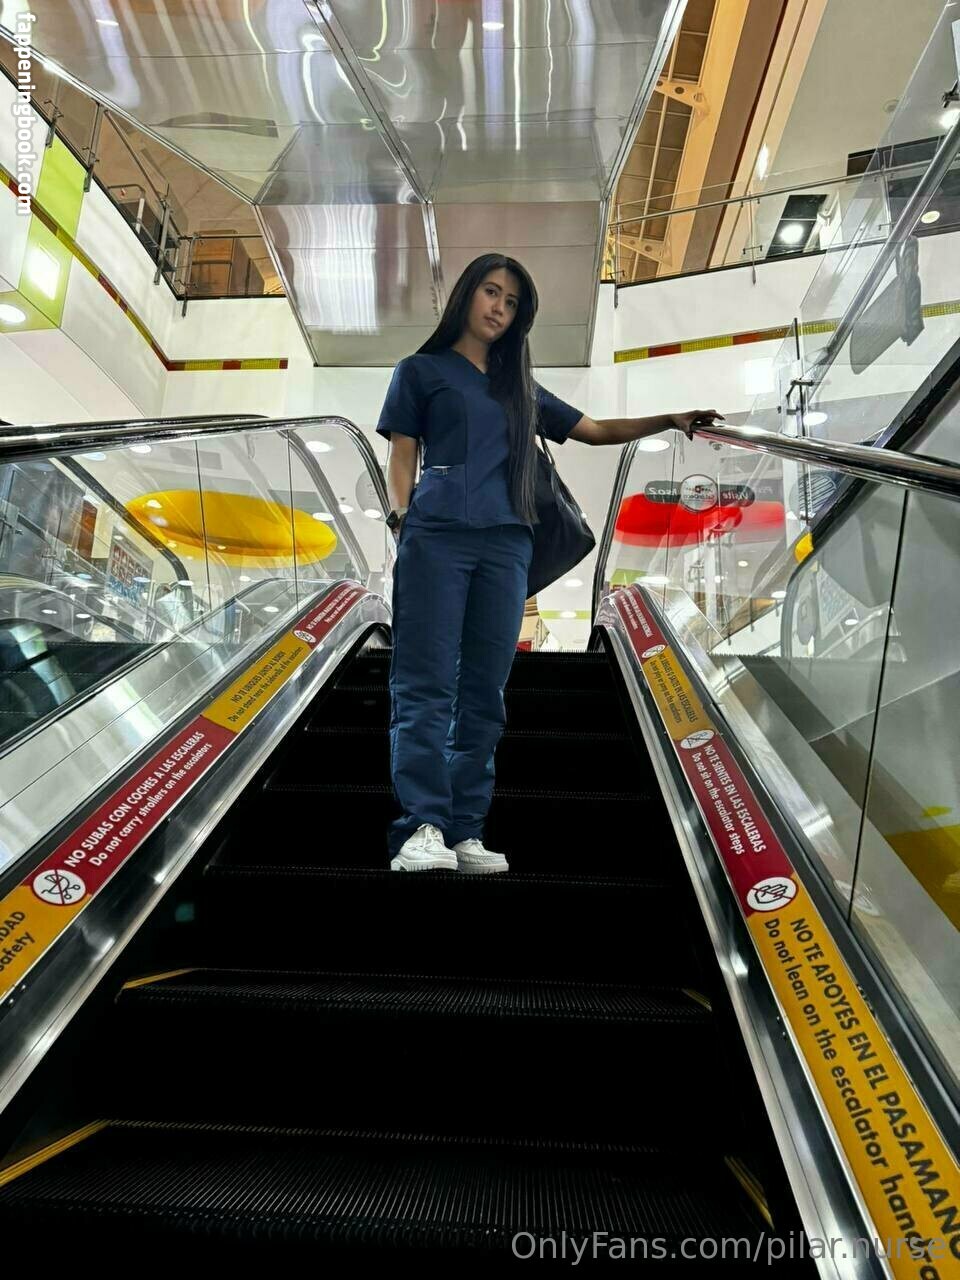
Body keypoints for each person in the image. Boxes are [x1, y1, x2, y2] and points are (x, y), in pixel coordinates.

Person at [377, 253, 721, 874]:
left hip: (509, 545)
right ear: (466, 294)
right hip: (436, 538)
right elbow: (403, 455)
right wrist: (402, 523)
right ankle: (420, 825)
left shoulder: (519, 388)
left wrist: (668, 418)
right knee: (425, 683)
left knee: (485, 692)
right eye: (491, 292)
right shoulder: (420, 371)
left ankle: (464, 830)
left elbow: (593, 429)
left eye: (511, 303)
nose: (499, 309)